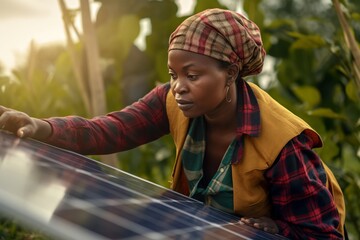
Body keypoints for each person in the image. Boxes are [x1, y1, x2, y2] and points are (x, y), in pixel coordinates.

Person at [0, 8, 347, 239]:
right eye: (174, 74)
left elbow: (320, 233)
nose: (179, 86)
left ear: (230, 73)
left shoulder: (283, 144)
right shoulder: (174, 101)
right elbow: (112, 129)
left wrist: (275, 229)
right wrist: (41, 126)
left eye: (192, 75)